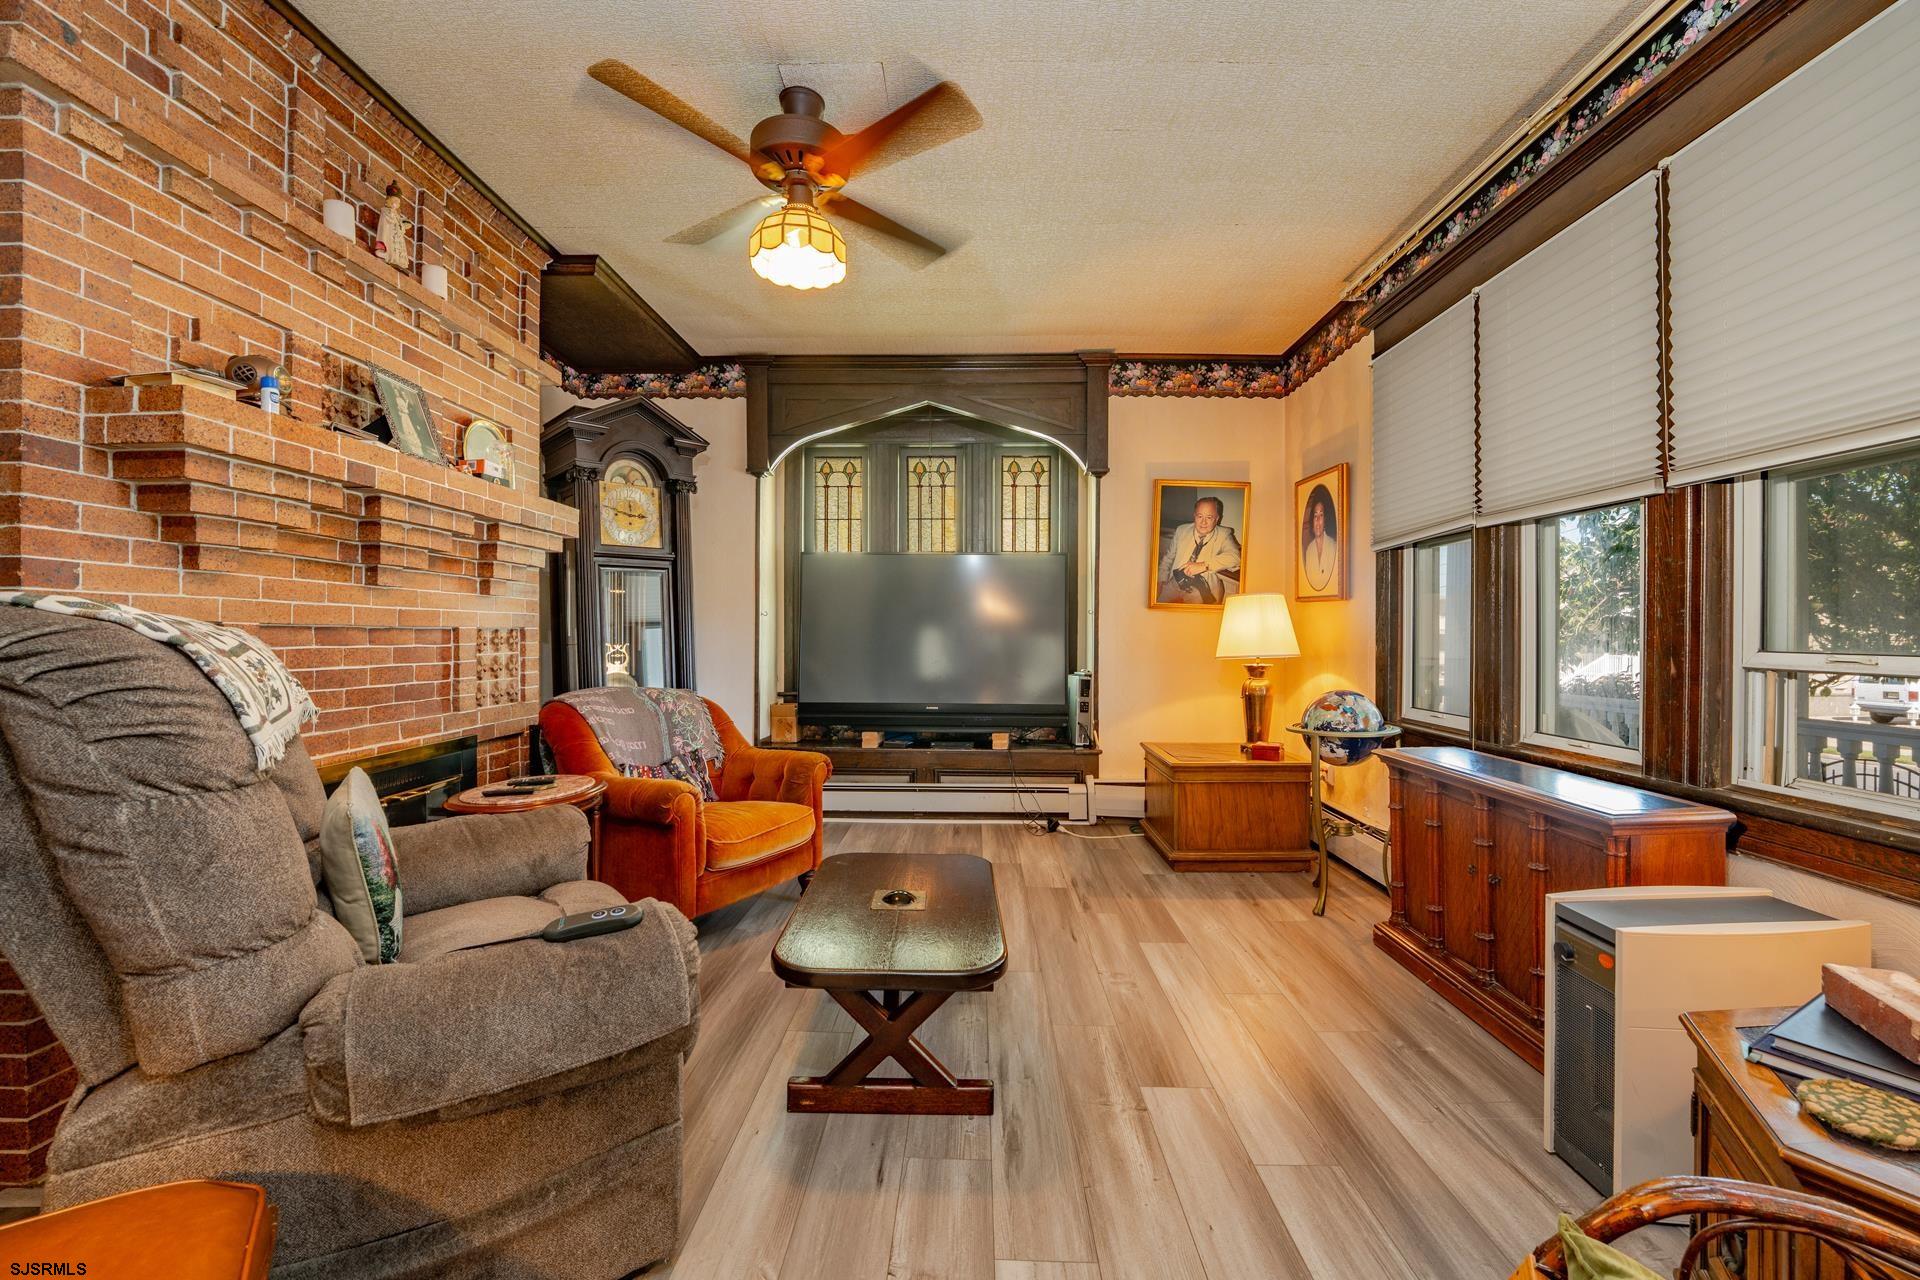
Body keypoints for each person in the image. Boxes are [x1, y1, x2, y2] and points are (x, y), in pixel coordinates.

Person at [1157, 494, 1242, 604]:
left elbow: (1236, 557)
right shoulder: (1181, 530)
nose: (1203, 522)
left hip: (1202, 589)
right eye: (1200, 516)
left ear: (1217, 519)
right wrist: (1160, 580)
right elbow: (1168, 557)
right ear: (1194, 516)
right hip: (1175, 581)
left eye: (1209, 517)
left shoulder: (1224, 534)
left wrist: (1204, 565)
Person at [1300, 484, 1339, 593]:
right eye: (1315, 516)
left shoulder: (1333, 546)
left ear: (1325, 520)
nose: (1317, 520)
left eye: (1321, 515)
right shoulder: (1309, 551)